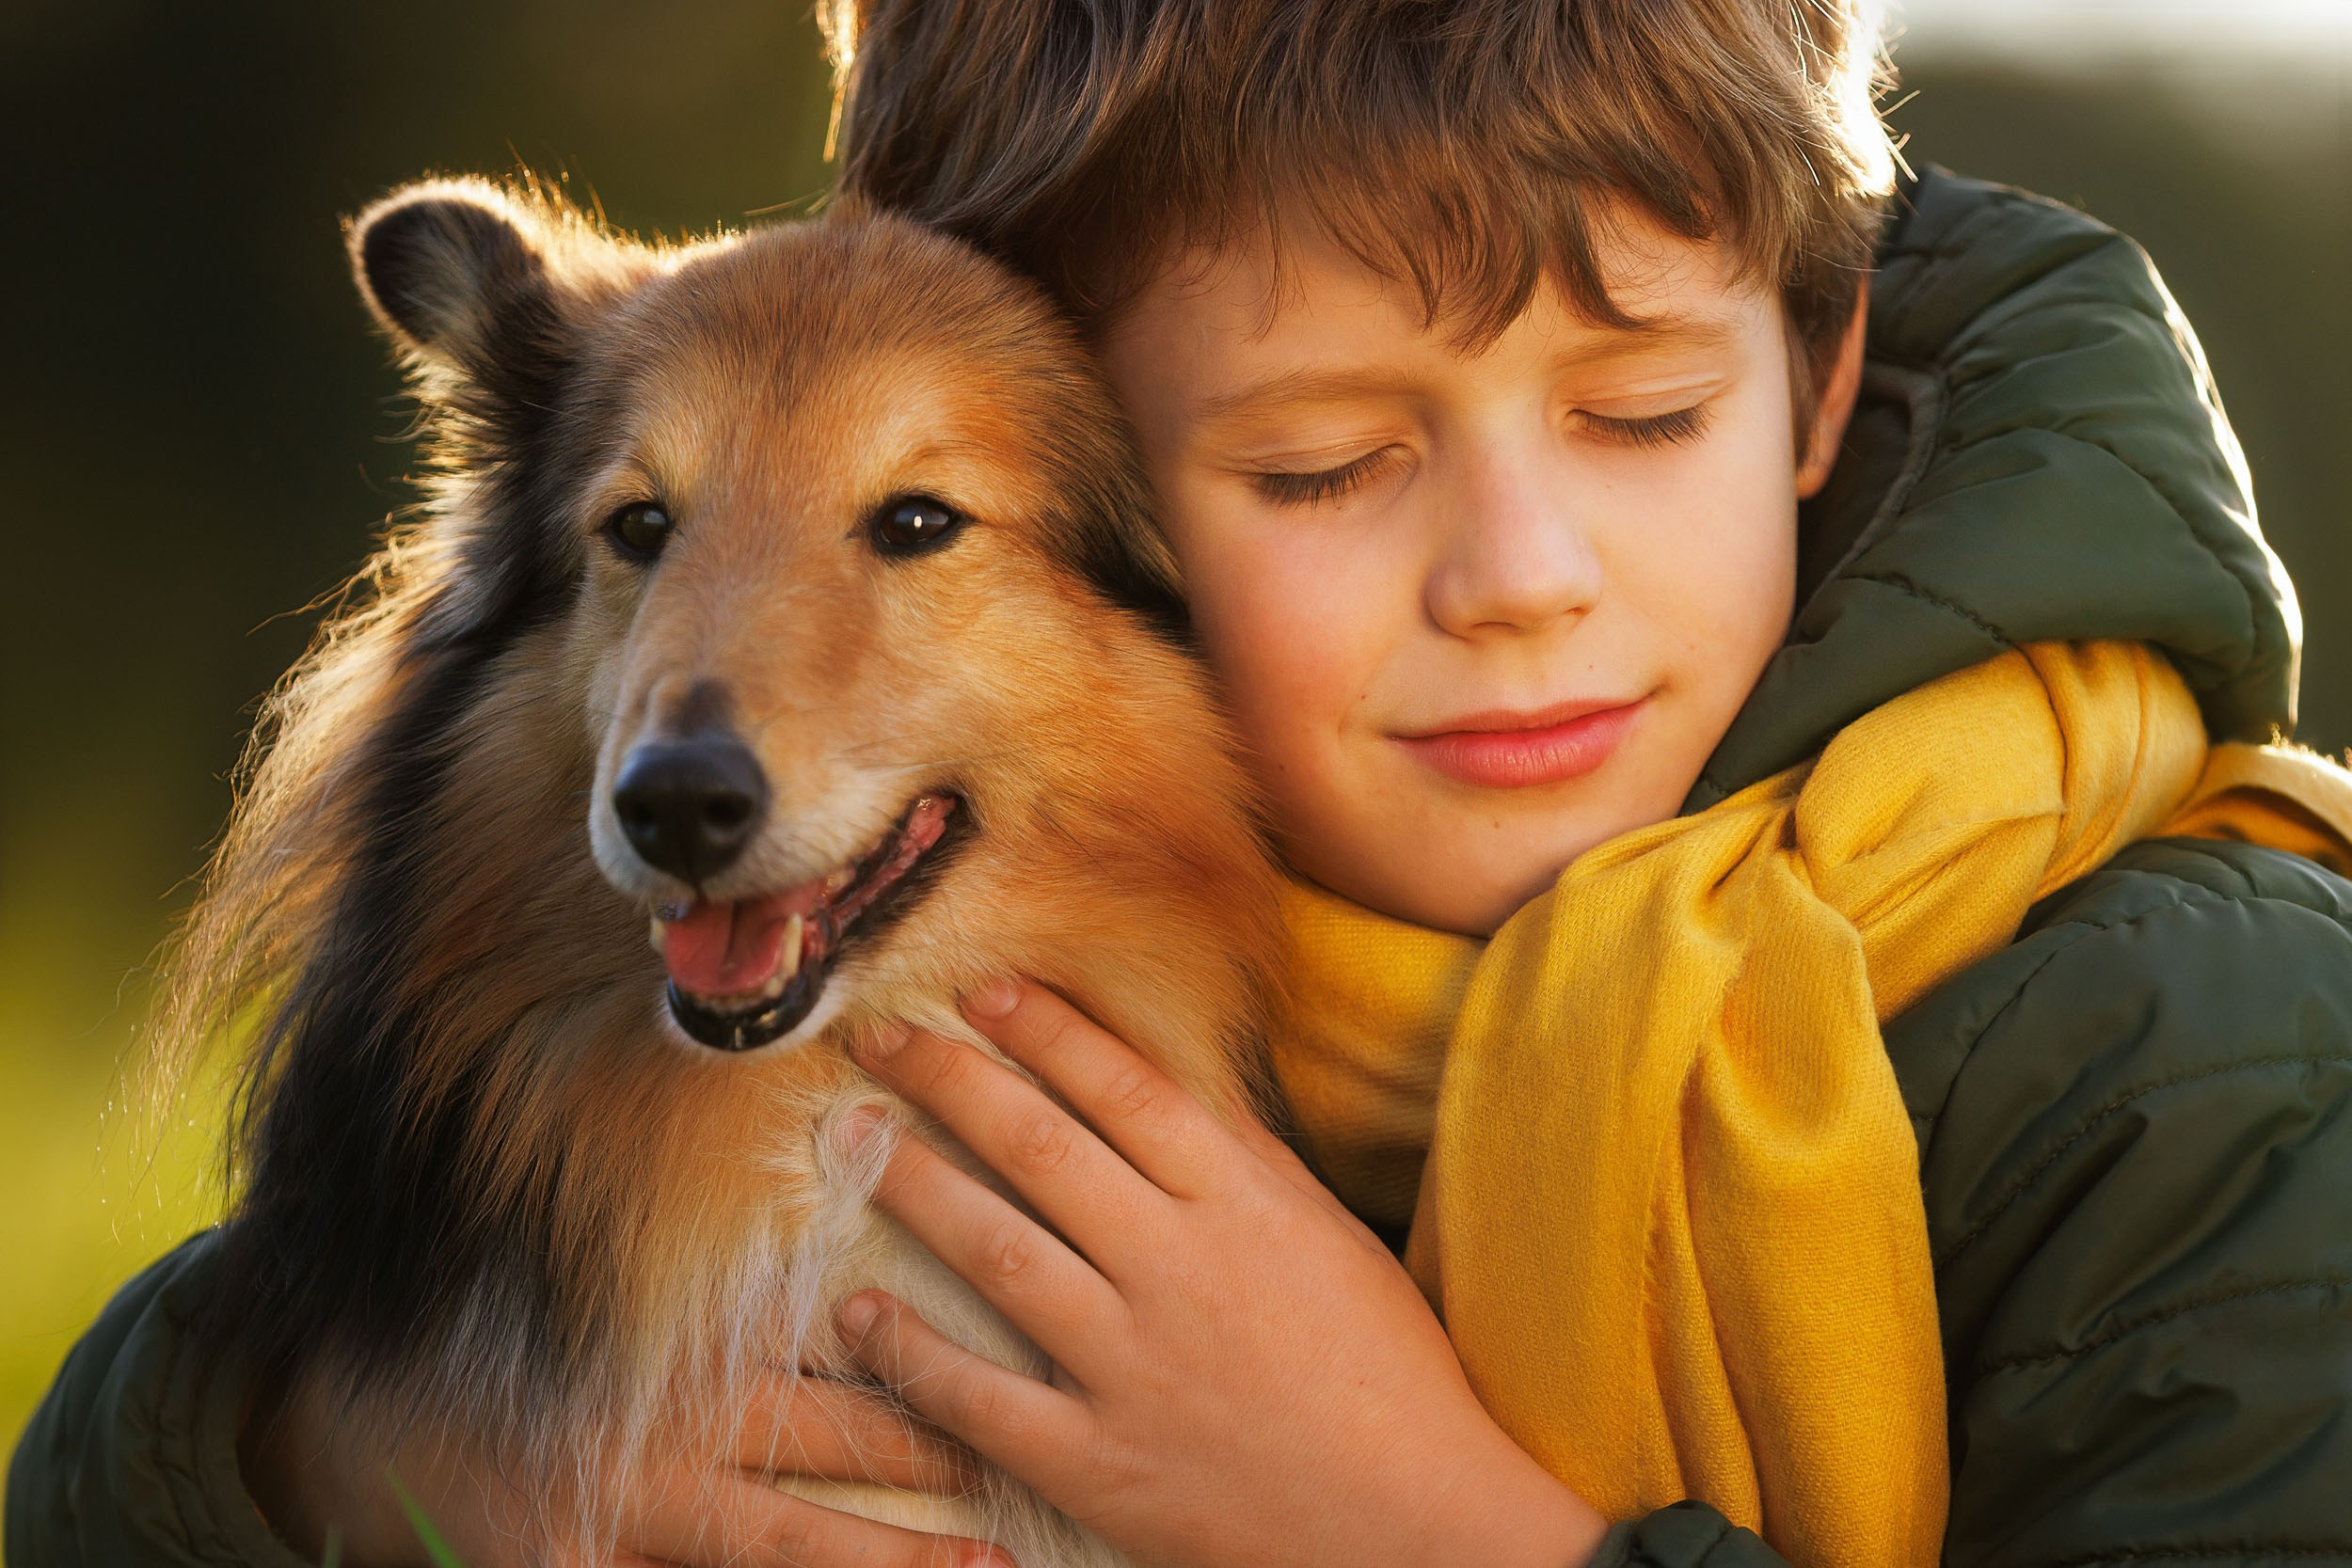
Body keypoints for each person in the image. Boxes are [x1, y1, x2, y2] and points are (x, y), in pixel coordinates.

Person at [14, 2, 2352, 1565]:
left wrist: (1428, 1533)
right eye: (1323, 465)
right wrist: (325, 1451)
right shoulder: (1116, 940)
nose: (1521, 581)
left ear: (1820, 368)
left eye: (1639, 414)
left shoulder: (2203, 1038)